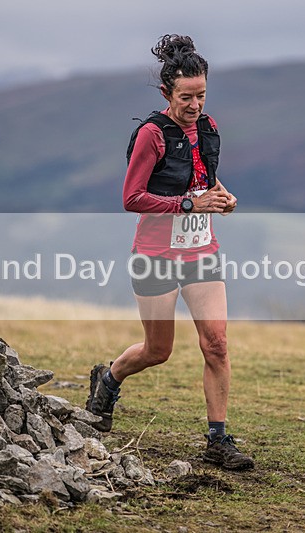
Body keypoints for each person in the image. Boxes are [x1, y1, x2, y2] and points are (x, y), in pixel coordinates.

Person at [86, 34, 254, 471]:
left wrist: (224, 197)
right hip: (155, 254)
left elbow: (206, 183)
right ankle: (109, 379)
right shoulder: (150, 135)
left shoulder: (210, 129)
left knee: (216, 344)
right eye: (185, 96)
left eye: (200, 94)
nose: (194, 104)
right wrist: (186, 204)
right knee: (158, 350)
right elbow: (132, 198)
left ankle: (217, 440)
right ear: (166, 93)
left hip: (202, 251)